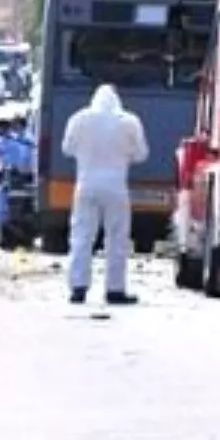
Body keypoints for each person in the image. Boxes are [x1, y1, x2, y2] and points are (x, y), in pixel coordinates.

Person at [62, 84, 148, 305]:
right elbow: (141, 154)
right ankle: (115, 289)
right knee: (117, 238)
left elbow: (67, 148)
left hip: (86, 184)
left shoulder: (79, 119)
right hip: (116, 186)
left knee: (81, 236)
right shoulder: (129, 121)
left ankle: (78, 288)